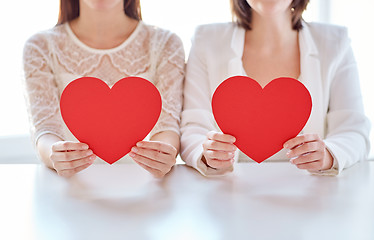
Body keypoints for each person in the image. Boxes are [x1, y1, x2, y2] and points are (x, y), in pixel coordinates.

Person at [180, 0, 370, 176]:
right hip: (230, 194)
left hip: (313, 195)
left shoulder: (335, 42)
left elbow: (353, 129)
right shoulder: (206, 40)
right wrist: (206, 153)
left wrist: (329, 154)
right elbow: (193, 126)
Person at [23, 0, 185, 178]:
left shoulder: (166, 44)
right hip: (70, 187)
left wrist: (162, 155)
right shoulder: (40, 47)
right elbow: (46, 129)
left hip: (145, 186)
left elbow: (168, 125)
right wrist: (55, 156)